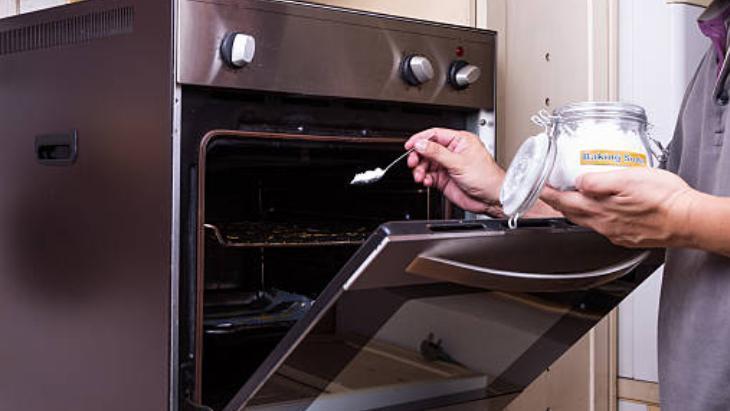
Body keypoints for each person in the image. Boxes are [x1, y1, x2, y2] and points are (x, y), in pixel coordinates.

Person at [405, 1, 730, 409]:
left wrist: (681, 216)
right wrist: (507, 193)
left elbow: (677, 217)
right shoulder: (715, 48)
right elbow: (645, 223)